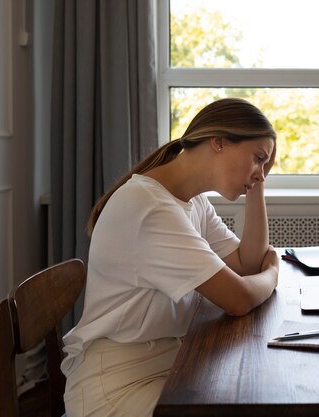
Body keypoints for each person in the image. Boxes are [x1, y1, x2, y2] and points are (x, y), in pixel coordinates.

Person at [61, 98, 280, 417]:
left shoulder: (194, 202)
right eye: (258, 159)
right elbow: (239, 298)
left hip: (167, 365)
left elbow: (248, 263)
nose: (260, 172)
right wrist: (273, 271)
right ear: (217, 142)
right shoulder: (151, 209)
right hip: (116, 387)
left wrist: (257, 181)